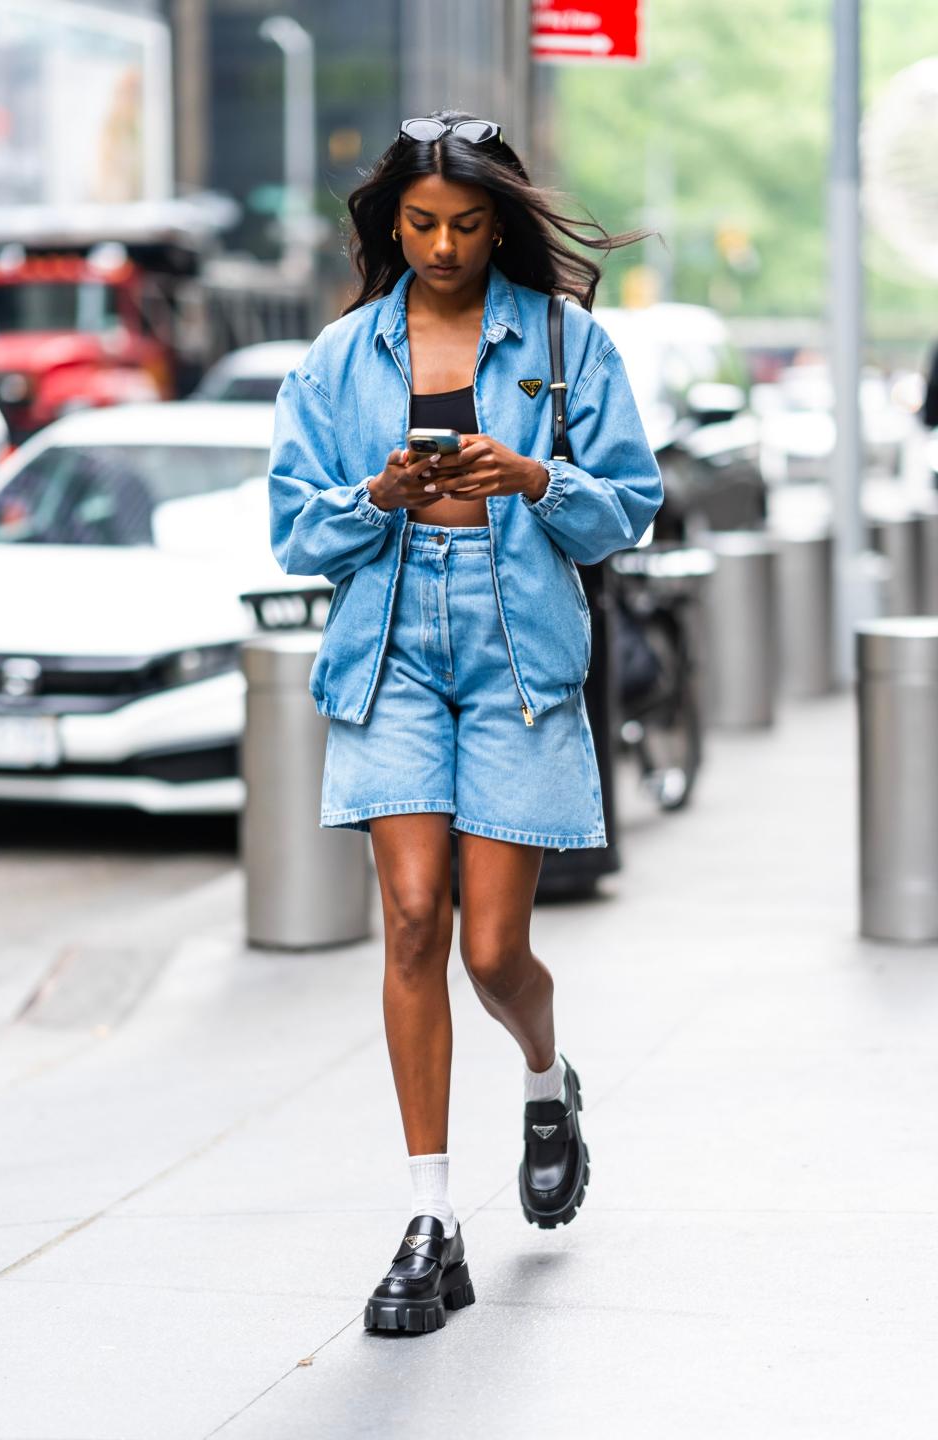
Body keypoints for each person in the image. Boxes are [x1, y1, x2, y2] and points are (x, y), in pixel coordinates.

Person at [268, 111, 663, 1335]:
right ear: (392, 223)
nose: (444, 246)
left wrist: (536, 478)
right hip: (389, 652)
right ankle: (431, 1217)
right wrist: (378, 494)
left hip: (517, 660)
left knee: (492, 951)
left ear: (502, 224)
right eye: (423, 224)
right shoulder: (337, 362)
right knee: (407, 922)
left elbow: (630, 509)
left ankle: (548, 1082)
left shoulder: (563, 340)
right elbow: (296, 531)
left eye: (470, 225)